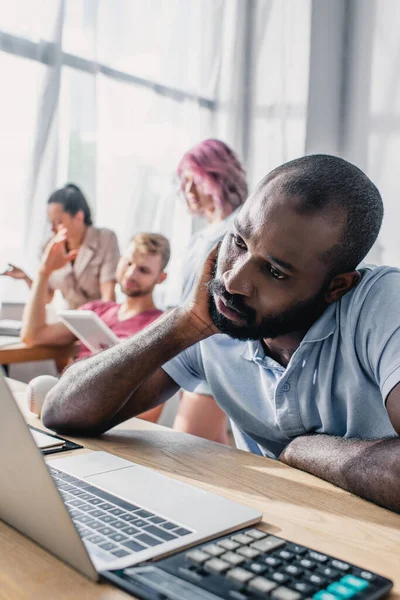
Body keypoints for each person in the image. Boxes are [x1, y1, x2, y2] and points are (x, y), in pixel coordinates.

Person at [41, 154, 400, 513]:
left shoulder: (382, 304)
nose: (233, 281)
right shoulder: (218, 315)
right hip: (272, 528)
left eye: (274, 272)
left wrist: (306, 450)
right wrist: (185, 322)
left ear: (337, 286)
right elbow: (63, 412)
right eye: (239, 243)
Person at [22, 231, 170, 422]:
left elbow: (149, 415)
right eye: (128, 263)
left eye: (144, 270)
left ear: (160, 278)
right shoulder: (95, 311)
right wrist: (44, 272)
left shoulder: (161, 325)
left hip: (104, 420)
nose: (131, 273)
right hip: (64, 407)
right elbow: (33, 335)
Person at [174, 139, 248, 444]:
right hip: (193, 350)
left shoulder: (241, 227)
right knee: (210, 447)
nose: (189, 190)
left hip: (221, 349)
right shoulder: (198, 238)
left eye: (197, 180)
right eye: (184, 182)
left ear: (218, 177)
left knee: (186, 446)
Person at [2, 184, 120, 308]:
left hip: (99, 315)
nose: (52, 228)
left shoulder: (105, 239)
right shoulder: (48, 247)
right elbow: (46, 297)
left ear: (79, 217)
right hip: (69, 316)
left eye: (58, 222)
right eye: (50, 222)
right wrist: (25, 277)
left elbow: (108, 297)